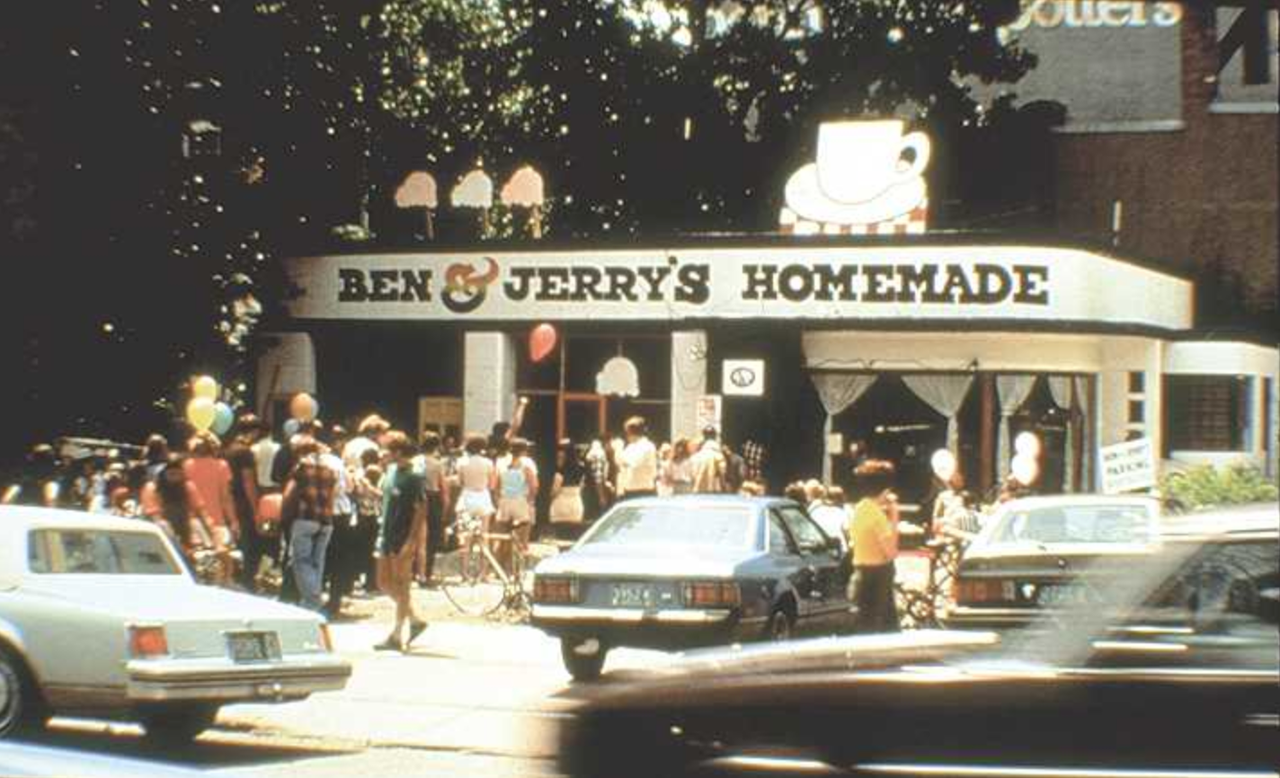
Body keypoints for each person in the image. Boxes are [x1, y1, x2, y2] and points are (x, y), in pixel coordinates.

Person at [374, 432, 428, 652]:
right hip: (385, 533)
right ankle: (414, 619)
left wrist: (411, 541)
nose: (383, 453)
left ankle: (397, 633)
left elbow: (421, 508)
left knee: (401, 584)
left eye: (386, 450)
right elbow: (386, 496)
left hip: (402, 536)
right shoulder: (390, 471)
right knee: (383, 582)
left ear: (397, 452)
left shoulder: (414, 476)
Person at [846, 460, 901, 633]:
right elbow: (891, 552)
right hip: (878, 577)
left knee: (864, 627)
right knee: (884, 631)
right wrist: (894, 516)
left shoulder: (860, 508)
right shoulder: (878, 516)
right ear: (885, 489)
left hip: (860, 573)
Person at [281, 451, 337, 612]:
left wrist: (283, 517)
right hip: (325, 521)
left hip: (304, 518)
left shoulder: (301, 469)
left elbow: (288, 494)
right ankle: (314, 601)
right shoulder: (329, 472)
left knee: (301, 561)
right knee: (317, 563)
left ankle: (313, 600)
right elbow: (332, 497)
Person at [183, 433, 239, 586]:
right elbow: (226, 497)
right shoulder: (221, 465)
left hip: (193, 521)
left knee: (193, 561)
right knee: (223, 562)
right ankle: (225, 584)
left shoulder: (186, 465)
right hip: (217, 521)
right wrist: (233, 521)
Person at [140, 458, 212, 567]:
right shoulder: (152, 488)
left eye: (178, 474)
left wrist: (212, 531)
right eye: (172, 474)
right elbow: (155, 516)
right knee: (163, 525)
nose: (175, 478)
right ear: (163, 475)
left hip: (185, 525)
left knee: (196, 522)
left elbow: (201, 510)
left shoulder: (188, 486)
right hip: (161, 529)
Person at [455, 433, 497, 575]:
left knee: (465, 537)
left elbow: (460, 482)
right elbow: (492, 484)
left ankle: (464, 572)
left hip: (467, 497)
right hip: (483, 497)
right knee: (484, 536)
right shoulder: (488, 463)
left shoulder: (461, 462)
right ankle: (484, 572)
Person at [495, 438, 538, 574]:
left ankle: (500, 569)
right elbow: (534, 485)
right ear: (524, 450)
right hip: (520, 501)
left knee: (502, 538)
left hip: (505, 502)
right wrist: (530, 500)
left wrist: (498, 500)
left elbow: (496, 486)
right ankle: (517, 570)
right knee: (522, 539)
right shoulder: (527, 464)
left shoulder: (501, 463)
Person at [224, 439, 262, 591]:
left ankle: (231, 577)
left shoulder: (224, 451)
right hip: (243, 504)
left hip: (227, 501)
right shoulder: (245, 453)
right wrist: (255, 509)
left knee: (232, 541)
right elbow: (248, 481)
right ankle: (246, 581)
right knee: (247, 544)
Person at [413, 431, 450, 587]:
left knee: (413, 536)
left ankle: (413, 571)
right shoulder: (437, 463)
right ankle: (426, 572)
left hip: (415, 498)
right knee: (431, 539)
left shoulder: (414, 461)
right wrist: (446, 507)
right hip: (432, 498)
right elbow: (443, 487)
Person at [549, 440, 586, 542]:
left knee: (560, 537)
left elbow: (554, 492)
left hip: (561, 505)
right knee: (572, 538)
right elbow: (582, 487)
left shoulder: (560, 472)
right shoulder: (581, 469)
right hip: (576, 504)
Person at [615, 417, 658, 499]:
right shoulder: (630, 447)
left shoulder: (647, 446)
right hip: (629, 491)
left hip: (644, 491)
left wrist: (619, 449)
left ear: (630, 432)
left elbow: (633, 463)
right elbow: (619, 463)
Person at [809, 484, 851, 552]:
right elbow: (848, 535)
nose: (844, 501)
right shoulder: (841, 513)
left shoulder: (814, 512)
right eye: (842, 499)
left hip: (819, 551)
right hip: (840, 552)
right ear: (837, 499)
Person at [690, 426, 728, 493]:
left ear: (704, 436)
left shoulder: (695, 457)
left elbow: (692, 476)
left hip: (697, 493)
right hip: (714, 494)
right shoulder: (719, 456)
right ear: (715, 436)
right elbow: (723, 475)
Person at [582, 438, 611, 521]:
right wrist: (601, 495)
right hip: (595, 492)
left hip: (588, 490)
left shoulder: (590, 452)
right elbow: (598, 476)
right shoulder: (599, 453)